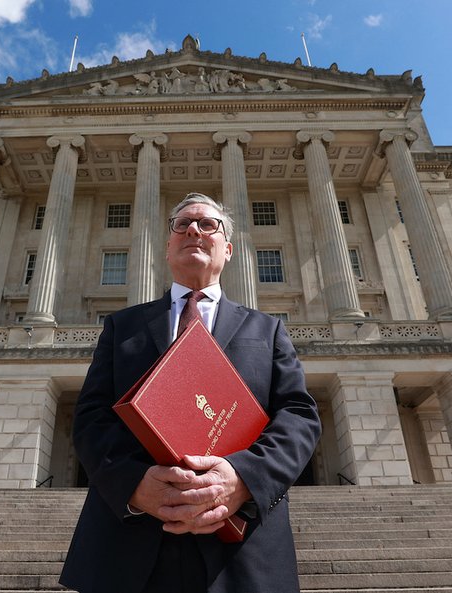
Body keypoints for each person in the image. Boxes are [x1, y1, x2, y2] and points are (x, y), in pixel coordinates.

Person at [60, 192, 321, 593]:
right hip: (128, 545)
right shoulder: (122, 326)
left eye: (207, 224)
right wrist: (134, 483)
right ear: (168, 247)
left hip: (240, 550)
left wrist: (242, 478)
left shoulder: (267, 330)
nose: (193, 230)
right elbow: (92, 416)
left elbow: (299, 417)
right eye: (181, 225)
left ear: (228, 249)